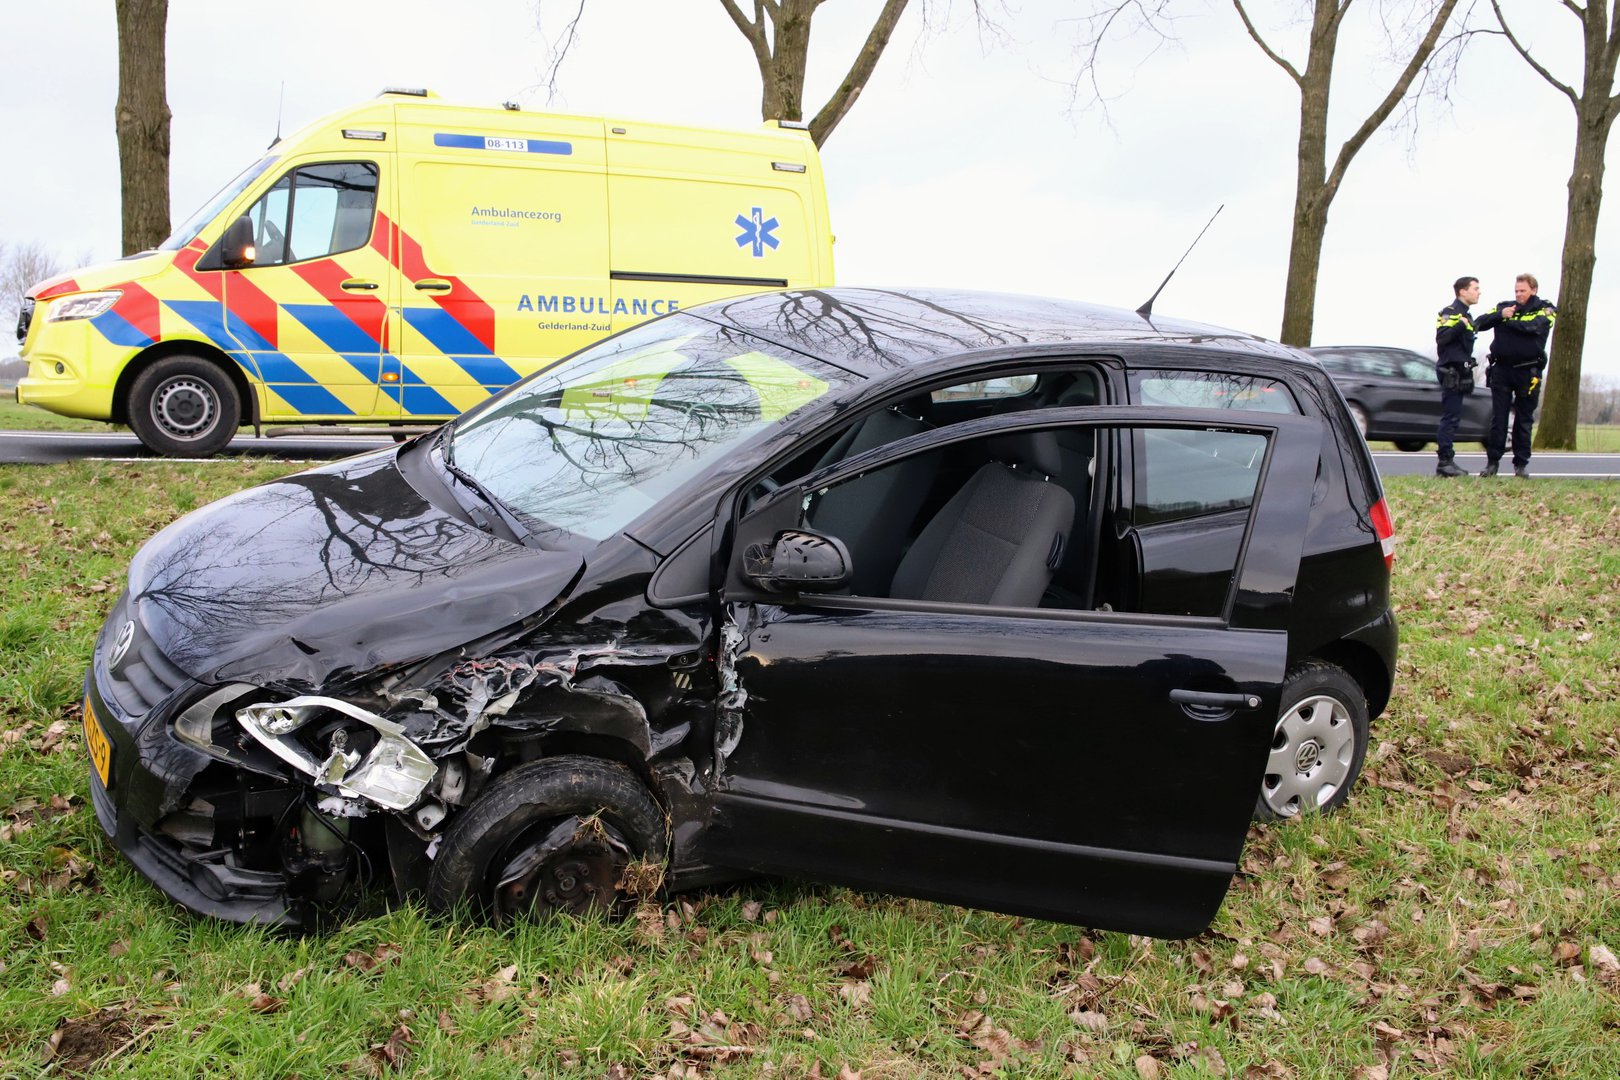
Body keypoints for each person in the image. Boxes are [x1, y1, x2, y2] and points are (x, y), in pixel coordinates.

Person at [1474, 273, 1555, 478]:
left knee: (1523, 419)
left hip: (1528, 372)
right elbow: (1479, 323)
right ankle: (1492, 462)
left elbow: (1534, 328)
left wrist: (1507, 324)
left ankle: (1521, 464)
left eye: (1523, 291)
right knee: (1498, 418)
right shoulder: (1505, 307)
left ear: (1534, 290)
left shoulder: (1546, 309)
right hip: (1502, 370)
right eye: (1516, 291)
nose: (1519, 295)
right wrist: (1500, 316)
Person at [1434, 276, 1481, 477]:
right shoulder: (1450, 313)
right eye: (1475, 288)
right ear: (1463, 291)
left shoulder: (1467, 316)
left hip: (1461, 373)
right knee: (1450, 418)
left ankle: (1448, 461)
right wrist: (1460, 325)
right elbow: (1442, 338)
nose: (1479, 292)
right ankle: (1445, 462)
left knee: (1454, 417)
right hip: (1450, 372)